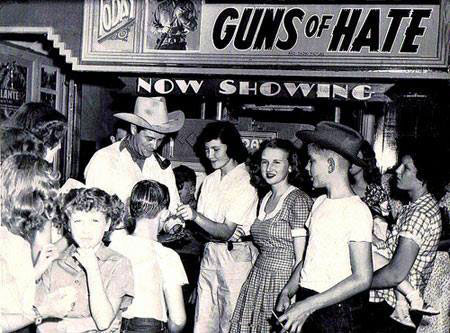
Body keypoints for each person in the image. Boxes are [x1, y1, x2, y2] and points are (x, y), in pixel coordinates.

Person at [275, 121, 373, 332]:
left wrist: (308, 306)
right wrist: (287, 291)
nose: (307, 168)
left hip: (337, 312)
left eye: (311, 161)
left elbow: (363, 278)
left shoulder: (357, 211)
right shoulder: (319, 203)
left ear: (330, 165)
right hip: (309, 299)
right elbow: (309, 258)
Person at [176, 121, 258, 333]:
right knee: (203, 321)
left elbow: (225, 230)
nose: (210, 155)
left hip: (236, 258)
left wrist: (197, 217)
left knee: (231, 322)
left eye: (216, 149)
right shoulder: (210, 181)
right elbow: (206, 230)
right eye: (206, 150)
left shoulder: (245, 181)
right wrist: (204, 224)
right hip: (210, 253)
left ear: (230, 147)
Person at [229, 139, 313, 333]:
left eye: (277, 162)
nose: (269, 167)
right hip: (258, 278)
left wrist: (292, 295)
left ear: (291, 166)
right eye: (265, 161)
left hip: (283, 281)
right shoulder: (266, 196)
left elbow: (302, 260)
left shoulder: (297, 200)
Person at [366, 140, 443, 332]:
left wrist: (361, 281)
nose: (397, 171)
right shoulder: (417, 206)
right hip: (397, 303)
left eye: (406, 168)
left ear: (423, 176)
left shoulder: (419, 213)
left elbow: (396, 273)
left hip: (393, 307)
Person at [35, 187, 134, 332]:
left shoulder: (118, 263)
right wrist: (86, 324)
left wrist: (92, 269)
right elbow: (40, 323)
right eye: (78, 220)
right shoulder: (55, 262)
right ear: (68, 224)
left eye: (94, 220)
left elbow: (103, 321)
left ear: (107, 224)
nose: (86, 229)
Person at [0, 153, 76, 332]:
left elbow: (10, 292)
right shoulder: (8, 242)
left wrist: (34, 272)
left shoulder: (15, 237)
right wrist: (43, 311)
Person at [84, 96, 184, 220]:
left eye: (160, 140)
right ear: (134, 129)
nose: (154, 146)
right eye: (149, 138)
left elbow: (173, 209)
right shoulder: (104, 160)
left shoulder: (162, 166)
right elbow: (93, 213)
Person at [110, 180, 188, 333]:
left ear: (131, 211)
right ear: (165, 214)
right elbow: (178, 320)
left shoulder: (114, 246)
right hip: (148, 327)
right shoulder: (166, 256)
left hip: (114, 324)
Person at [6, 102, 69, 261]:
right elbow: (42, 254)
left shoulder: (10, 175)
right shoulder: (36, 183)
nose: (60, 147)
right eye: (56, 140)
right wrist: (70, 236)